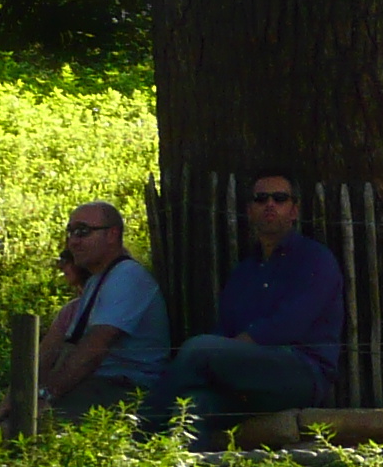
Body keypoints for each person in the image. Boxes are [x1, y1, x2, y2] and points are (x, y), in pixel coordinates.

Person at [144, 171, 343, 448]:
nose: (269, 204)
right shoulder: (244, 272)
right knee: (191, 408)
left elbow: (288, 325)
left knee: (199, 350)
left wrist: (225, 354)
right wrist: (227, 355)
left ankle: (134, 439)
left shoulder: (315, 260)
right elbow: (226, 326)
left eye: (280, 198)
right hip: (246, 380)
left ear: (294, 210)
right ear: (250, 211)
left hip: (300, 374)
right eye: (261, 199)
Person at [33, 201, 168, 422]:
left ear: (112, 234)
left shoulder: (127, 276)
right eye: (70, 232)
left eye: (82, 232)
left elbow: (95, 348)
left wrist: (47, 395)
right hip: (95, 386)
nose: (73, 241)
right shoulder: (99, 280)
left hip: (123, 392)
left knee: (30, 430)